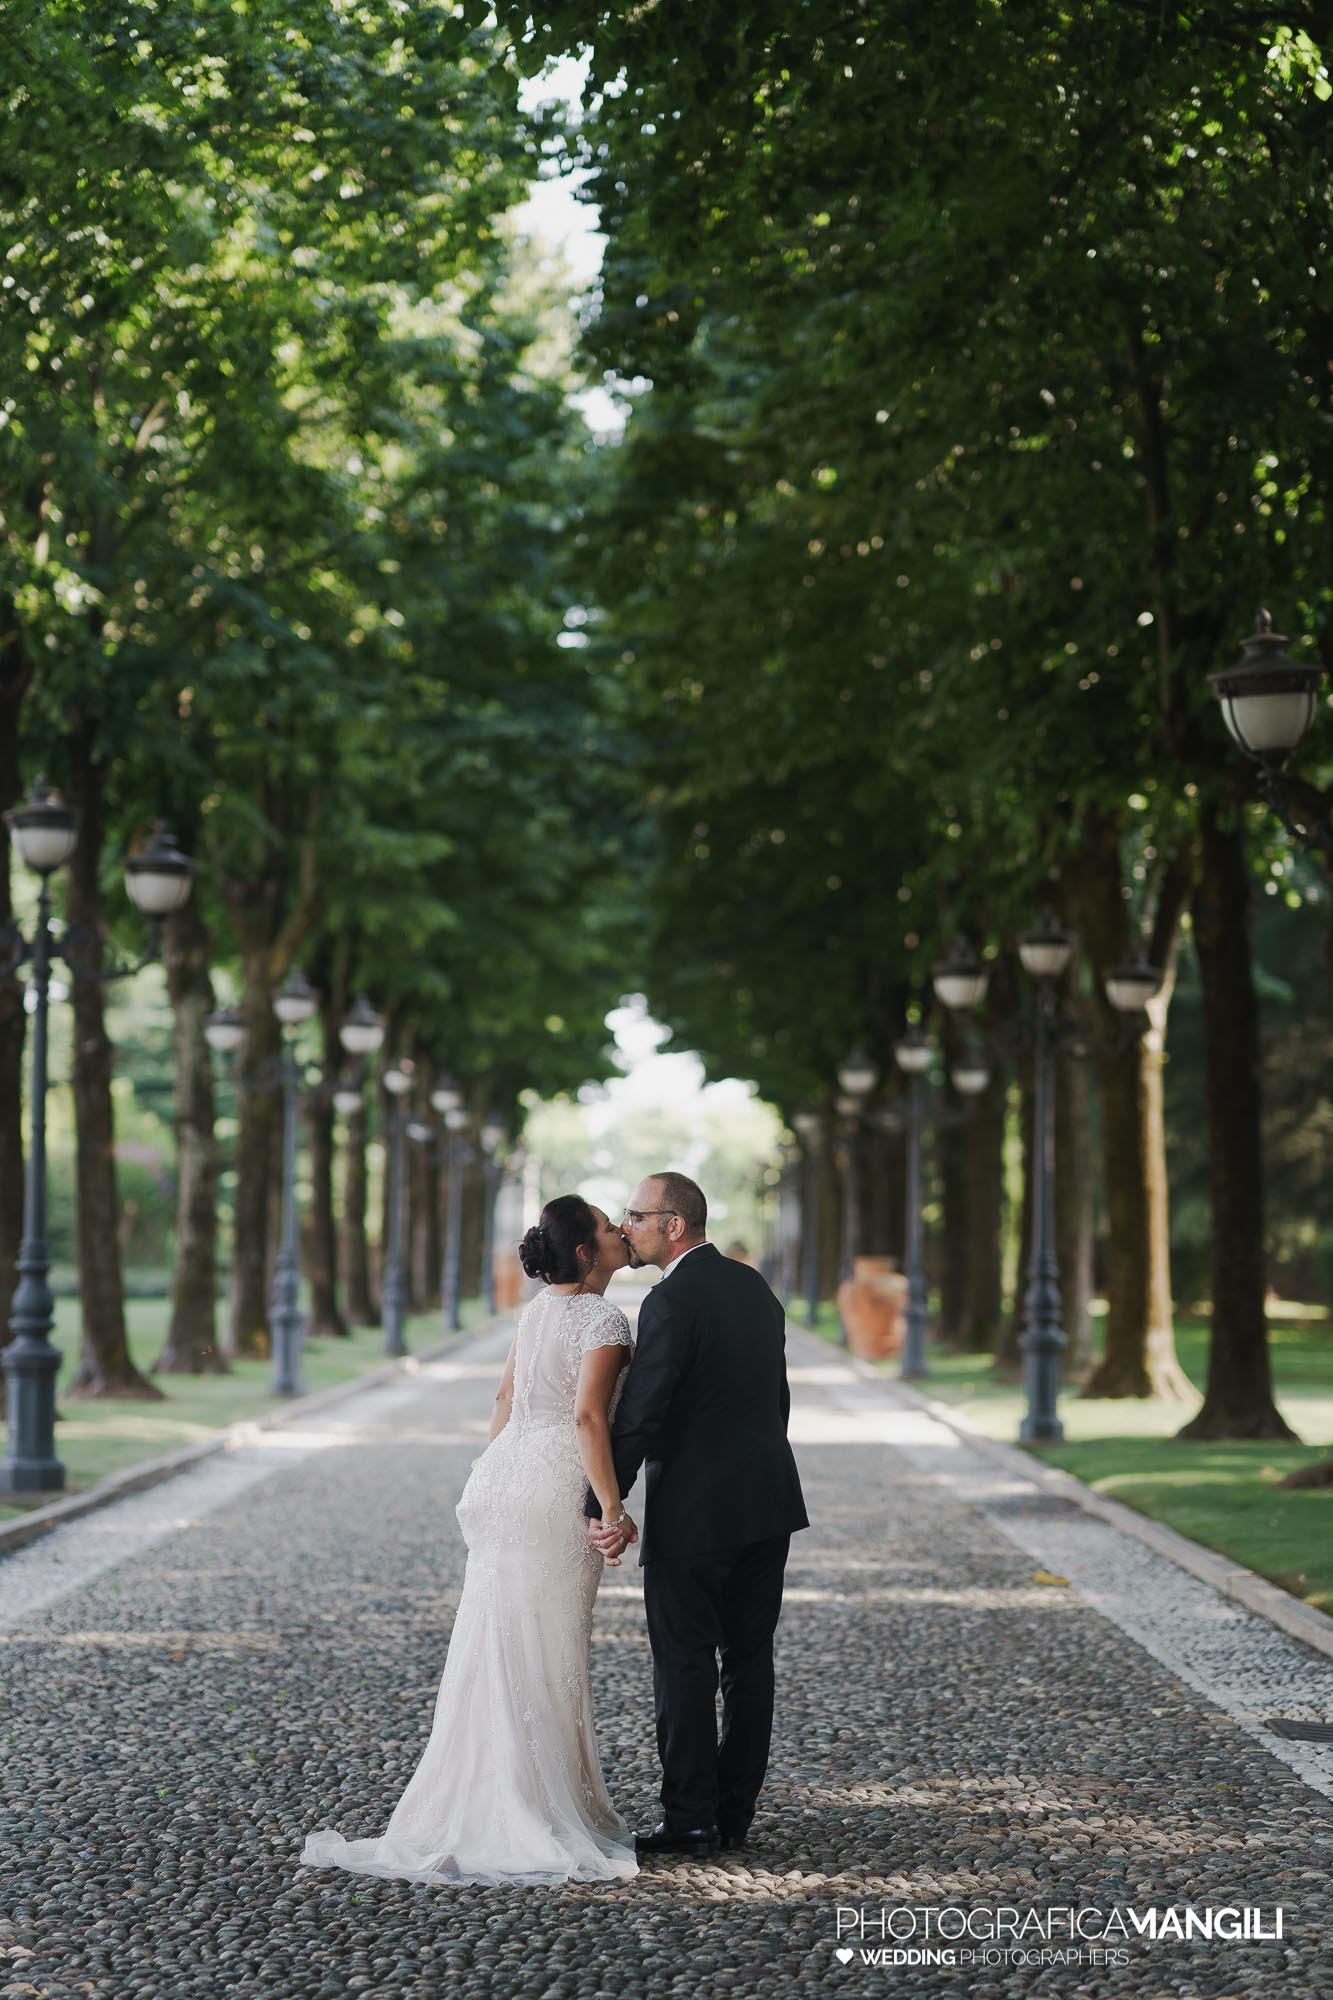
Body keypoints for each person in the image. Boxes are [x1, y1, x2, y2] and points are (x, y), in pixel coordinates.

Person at [300, 1197, 639, 1887]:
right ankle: (537, 1807)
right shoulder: (603, 1318)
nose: (619, 1233)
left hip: (503, 1478)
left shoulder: (535, 1311)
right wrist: (610, 1506)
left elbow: (503, 1401)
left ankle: (477, 1798)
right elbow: (586, 1417)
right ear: (584, 1252)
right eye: (608, 1227)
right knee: (549, 1644)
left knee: (492, 1641)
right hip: (552, 1487)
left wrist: (491, 1473)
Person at [587, 1171, 809, 1858]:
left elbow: (642, 1411)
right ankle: (734, 1815)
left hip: (696, 1511)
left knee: (683, 1662)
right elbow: (776, 1401)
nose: (627, 1226)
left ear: (672, 1224)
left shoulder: (671, 1301)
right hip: (769, 1503)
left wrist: (604, 1502)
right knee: (749, 1661)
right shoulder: (753, 1286)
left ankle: (689, 1817)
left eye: (637, 1215)